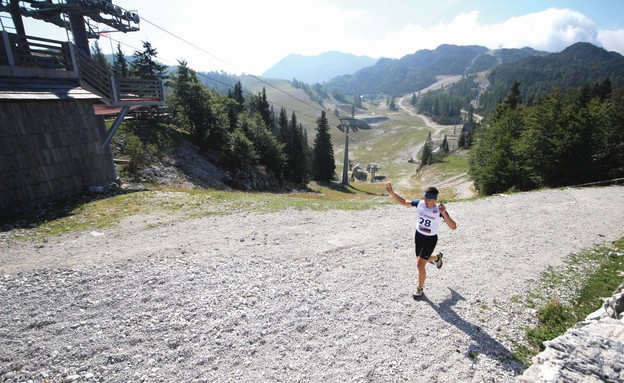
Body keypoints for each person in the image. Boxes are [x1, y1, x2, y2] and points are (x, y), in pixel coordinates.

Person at [385, 183, 457, 297]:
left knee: (419, 264)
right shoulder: (420, 203)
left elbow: (453, 227)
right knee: (423, 260)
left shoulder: (439, 210)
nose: (426, 201)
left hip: (430, 239)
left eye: (428, 199)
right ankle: (437, 257)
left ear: (434, 199)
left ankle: (420, 289)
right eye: (424, 198)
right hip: (418, 236)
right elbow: (404, 202)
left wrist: (443, 213)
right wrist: (392, 193)